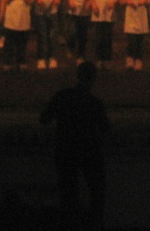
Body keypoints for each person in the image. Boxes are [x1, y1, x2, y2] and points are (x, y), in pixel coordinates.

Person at [40, 61, 110, 230]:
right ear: (93, 79)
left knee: (68, 194)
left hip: (65, 150)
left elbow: (44, 119)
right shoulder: (94, 103)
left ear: (77, 76)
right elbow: (106, 129)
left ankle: (70, 224)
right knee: (96, 191)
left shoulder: (63, 96)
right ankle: (94, 224)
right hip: (88, 151)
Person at [0, 0, 34, 70]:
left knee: (22, 44)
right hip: (10, 21)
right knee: (9, 44)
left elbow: (30, 0)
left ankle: (21, 61)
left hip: (23, 22)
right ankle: (8, 62)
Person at [33, 0, 64, 69]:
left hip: (53, 11)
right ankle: (41, 58)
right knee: (42, 35)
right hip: (40, 12)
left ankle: (52, 57)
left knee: (52, 35)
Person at [120, 0, 150, 70]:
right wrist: (128, 1)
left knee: (139, 40)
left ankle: (138, 59)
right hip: (131, 17)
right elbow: (121, 1)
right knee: (131, 40)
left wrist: (144, 1)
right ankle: (130, 58)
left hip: (142, 18)